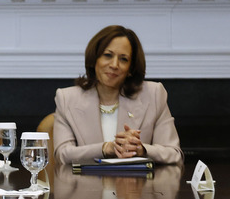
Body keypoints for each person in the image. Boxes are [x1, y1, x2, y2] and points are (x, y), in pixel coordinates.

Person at [54, 25, 183, 165]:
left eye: (123, 59)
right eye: (107, 55)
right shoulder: (66, 98)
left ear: (130, 69)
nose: (114, 65)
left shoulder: (154, 94)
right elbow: (62, 155)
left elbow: (174, 154)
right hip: (87, 185)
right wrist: (106, 148)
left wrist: (142, 150)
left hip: (138, 185)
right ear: (94, 59)